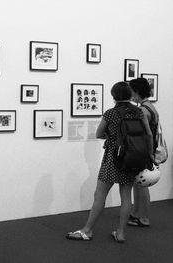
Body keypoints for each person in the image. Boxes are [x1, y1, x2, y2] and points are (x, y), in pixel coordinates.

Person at [66, 81, 153, 243]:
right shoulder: (139, 112)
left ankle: (87, 230)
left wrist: (111, 137)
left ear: (113, 96)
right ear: (129, 94)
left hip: (113, 159)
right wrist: (149, 156)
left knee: (99, 196)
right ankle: (120, 233)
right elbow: (148, 135)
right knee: (126, 196)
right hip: (131, 159)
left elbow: (99, 133)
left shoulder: (111, 113)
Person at [128, 78, 159, 227]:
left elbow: (147, 134)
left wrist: (149, 153)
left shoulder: (143, 110)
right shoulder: (150, 106)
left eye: (132, 91)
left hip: (144, 150)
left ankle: (144, 217)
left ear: (137, 91)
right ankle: (136, 213)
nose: (131, 94)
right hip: (147, 150)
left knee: (142, 183)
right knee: (139, 182)